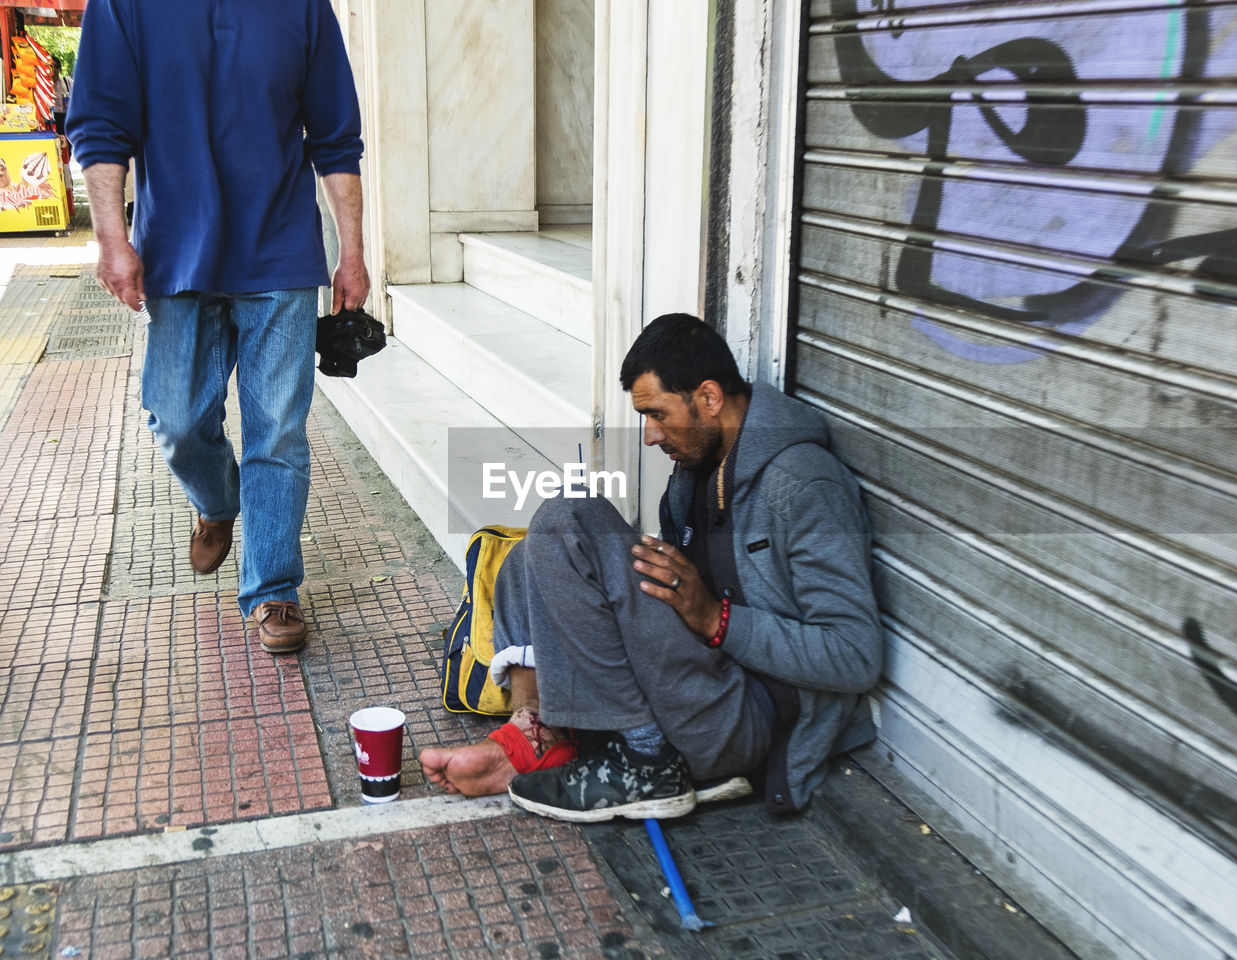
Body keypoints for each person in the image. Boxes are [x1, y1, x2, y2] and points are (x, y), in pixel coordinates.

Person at [420, 314, 883, 821]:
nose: (649, 436)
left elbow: (856, 656)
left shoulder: (804, 486)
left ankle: (645, 762)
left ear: (708, 398)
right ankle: (537, 736)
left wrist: (716, 619)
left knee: (569, 520)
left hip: (747, 716)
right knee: (528, 555)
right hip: (697, 689)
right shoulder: (694, 474)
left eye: (658, 414)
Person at [66, 1, 369, 654]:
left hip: (282, 249)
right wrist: (111, 241)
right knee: (175, 417)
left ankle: (273, 589)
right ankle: (217, 502)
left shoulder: (303, 7)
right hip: (177, 252)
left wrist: (351, 250)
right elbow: (99, 125)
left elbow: (336, 134)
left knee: (278, 430)